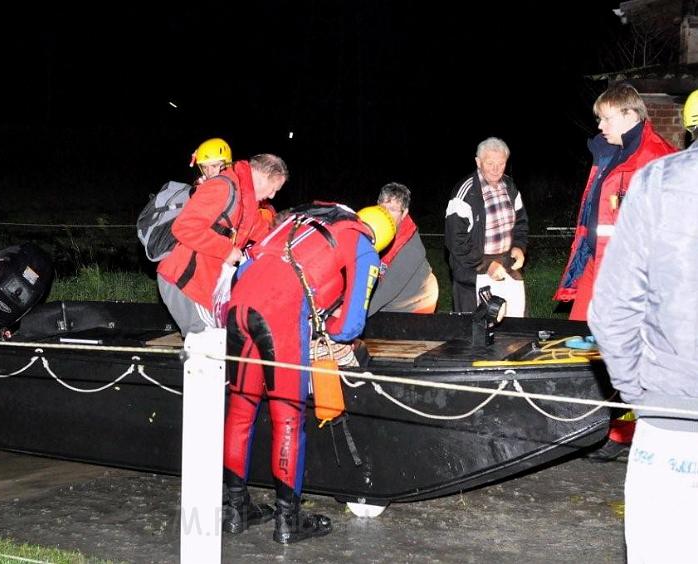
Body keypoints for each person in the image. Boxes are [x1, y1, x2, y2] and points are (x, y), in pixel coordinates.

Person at [222, 202, 395, 544]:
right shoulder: (362, 244)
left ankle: (234, 509)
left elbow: (245, 270)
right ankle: (288, 519)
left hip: (239, 306)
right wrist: (321, 324)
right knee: (288, 419)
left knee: (241, 411)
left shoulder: (303, 223)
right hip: (279, 316)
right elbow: (349, 326)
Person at [586, 90, 698, 562]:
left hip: (671, 407)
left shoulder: (658, 172)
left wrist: (641, 392)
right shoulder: (617, 160)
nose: (600, 129)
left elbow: (613, 308)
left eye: (606, 119)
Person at [555, 83, 676, 460]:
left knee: (624, 351)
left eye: (605, 118)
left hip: (628, 276)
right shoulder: (607, 154)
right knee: (577, 344)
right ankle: (578, 422)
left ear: (629, 114)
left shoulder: (657, 158)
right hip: (596, 267)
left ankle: (622, 434)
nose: (600, 127)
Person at [157, 153, 288, 336]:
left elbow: (263, 232)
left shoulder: (246, 199)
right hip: (186, 281)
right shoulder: (222, 186)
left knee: (218, 346)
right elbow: (184, 227)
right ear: (263, 175)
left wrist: (290, 245)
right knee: (206, 347)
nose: (273, 196)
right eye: (273, 188)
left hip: (206, 286)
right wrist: (227, 250)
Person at [445, 137, 527, 316]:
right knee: (473, 331)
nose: (496, 169)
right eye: (490, 163)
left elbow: (521, 222)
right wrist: (484, 265)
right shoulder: (465, 192)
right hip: (472, 271)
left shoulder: (510, 187)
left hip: (506, 265)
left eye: (501, 163)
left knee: (513, 327)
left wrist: (519, 247)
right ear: (478, 162)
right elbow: (455, 241)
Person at [368, 182, 438, 316]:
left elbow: (385, 292)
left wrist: (351, 319)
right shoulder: (371, 225)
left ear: (404, 212)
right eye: (383, 207)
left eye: (393, 209)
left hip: (415, 301)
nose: (386, 214)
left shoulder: (411, 248)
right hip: (388, 291)